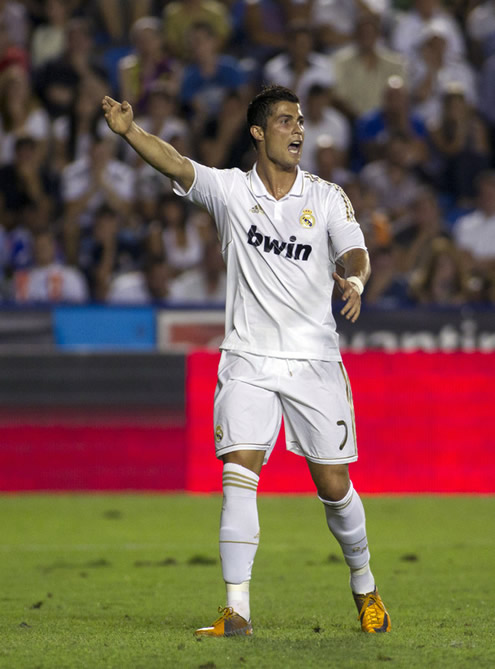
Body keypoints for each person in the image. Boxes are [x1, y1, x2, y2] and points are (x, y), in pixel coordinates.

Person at [102, 84, 391, 636]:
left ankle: (365, 586)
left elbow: (356, 248)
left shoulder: (327, 196)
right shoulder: (231, 191)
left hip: (312, 360)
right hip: (247, 358)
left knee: (333, 486)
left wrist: (353, 276)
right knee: (239, 471)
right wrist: (130, 133)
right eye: (285, 121)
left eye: (301, 121)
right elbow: (178, 163)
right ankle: (237, 610)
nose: (298, 130)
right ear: (259, 132)